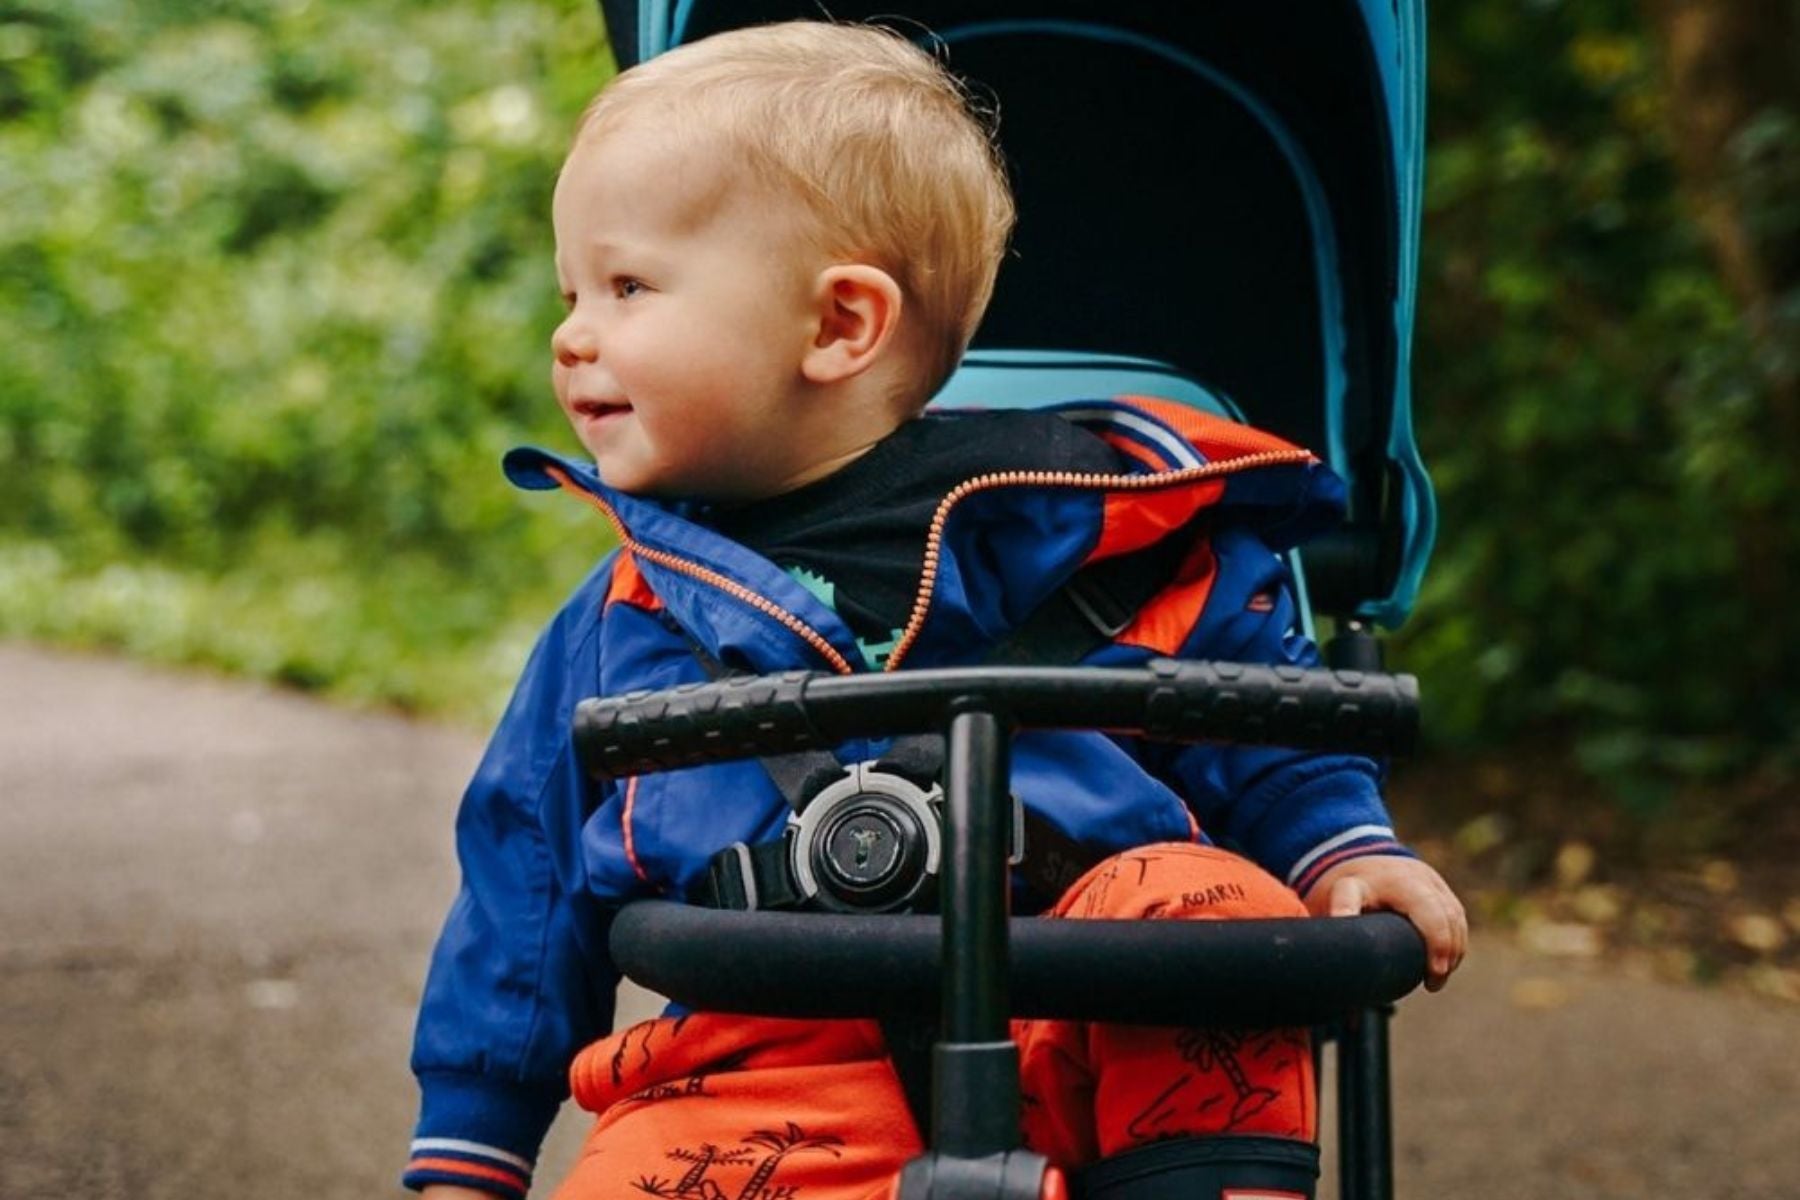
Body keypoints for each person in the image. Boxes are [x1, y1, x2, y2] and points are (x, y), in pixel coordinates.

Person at [403, 20, 1466, 1200]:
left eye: (628, 286)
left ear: (840, 325)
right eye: (572, 291)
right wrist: (473, 1144)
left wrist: (1346, 849)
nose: (571, 334)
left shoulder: (1101, 538)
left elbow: (1269, 734)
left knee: (1205, 900)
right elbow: (526, 883)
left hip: (1091, 1030)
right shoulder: (628, 617)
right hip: (758, 1068)